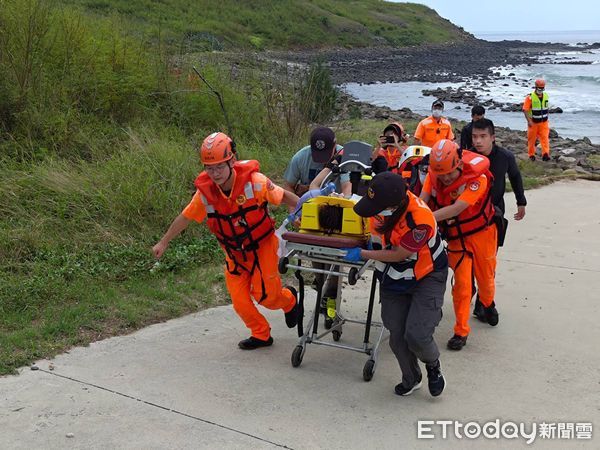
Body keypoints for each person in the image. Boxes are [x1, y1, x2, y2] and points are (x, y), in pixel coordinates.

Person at [152, 132, 300, 350]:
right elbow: (185, 217)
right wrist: (164, 242)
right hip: (234, 254)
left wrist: (303, 213)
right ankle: (261, 334)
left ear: (232, 160)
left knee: (266, 296)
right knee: (240, 301)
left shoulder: (255, 183)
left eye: (219, 167)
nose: (215, 174)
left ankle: (289, 301)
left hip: (263, 248)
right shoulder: (205, 193)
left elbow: (285, 196)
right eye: (209, 168)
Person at [343, 172, 448, 397]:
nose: (374, 212)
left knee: (417, 334)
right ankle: (412, 378)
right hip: (393, 275)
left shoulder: (421, 219)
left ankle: (432, 365)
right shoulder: (380, 207)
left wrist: (362, 254)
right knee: (397, 335)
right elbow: (373, 235)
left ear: (395, 205)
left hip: (426, 274)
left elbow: (401, 254)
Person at [420, 140, 498, 351]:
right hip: (456, 239)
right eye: (441, 174)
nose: (445, 178)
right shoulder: (434, 176)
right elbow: (423, 200)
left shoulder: (477, 179)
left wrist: (424, 220)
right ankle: (461, 331)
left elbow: (457, 208)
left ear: (460, 165)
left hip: (483, 236)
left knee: (486, 281)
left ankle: (488, 303)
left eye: (450, 173)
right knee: (462, 286)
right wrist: (415, 215)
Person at [470, 118, 527, 320]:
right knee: (466, 264)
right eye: (475, 137)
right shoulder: (466, 157)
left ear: (492, 138)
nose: (478, 141)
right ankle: (469, 291)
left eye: (483, 136)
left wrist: (522, 202)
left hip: (495, 216)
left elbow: (515, 177)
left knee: (488, 262)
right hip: (467, 216)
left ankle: (483, 303)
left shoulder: (505, 156)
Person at [283, 126, 350, 196]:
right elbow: (288, 186)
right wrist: (294, 206)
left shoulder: (344, 157)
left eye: (325, 154)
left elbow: (347, 187)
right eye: (317, 154)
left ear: (335, 144)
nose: (321, 159)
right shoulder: (300, 157)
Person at [523, 79, 551, 161]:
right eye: (539, 88)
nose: (541, 90)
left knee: (545, 138)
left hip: (544, 122)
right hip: (533, 122)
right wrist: (529, 121)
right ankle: (531, 154)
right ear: (536, 87)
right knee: (531, 139)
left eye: (542, 89)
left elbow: (547, 107)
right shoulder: (530, 97)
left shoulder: (546, 96)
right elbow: (525, 110)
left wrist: (547, 116)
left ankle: (545, 154)